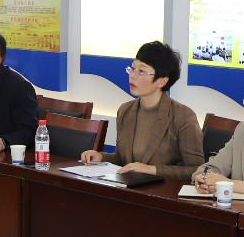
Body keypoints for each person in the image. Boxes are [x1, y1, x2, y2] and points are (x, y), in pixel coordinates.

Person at [79, 40, 204, 182]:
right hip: (129, 188)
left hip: (163, 191)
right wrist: (100, 157)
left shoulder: (183, 116)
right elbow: (122, 160)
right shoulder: (125, 111)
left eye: (141, 71)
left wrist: (152, 170)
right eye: (132, 69)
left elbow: (196, 170)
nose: (133, 75)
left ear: (161, 81)